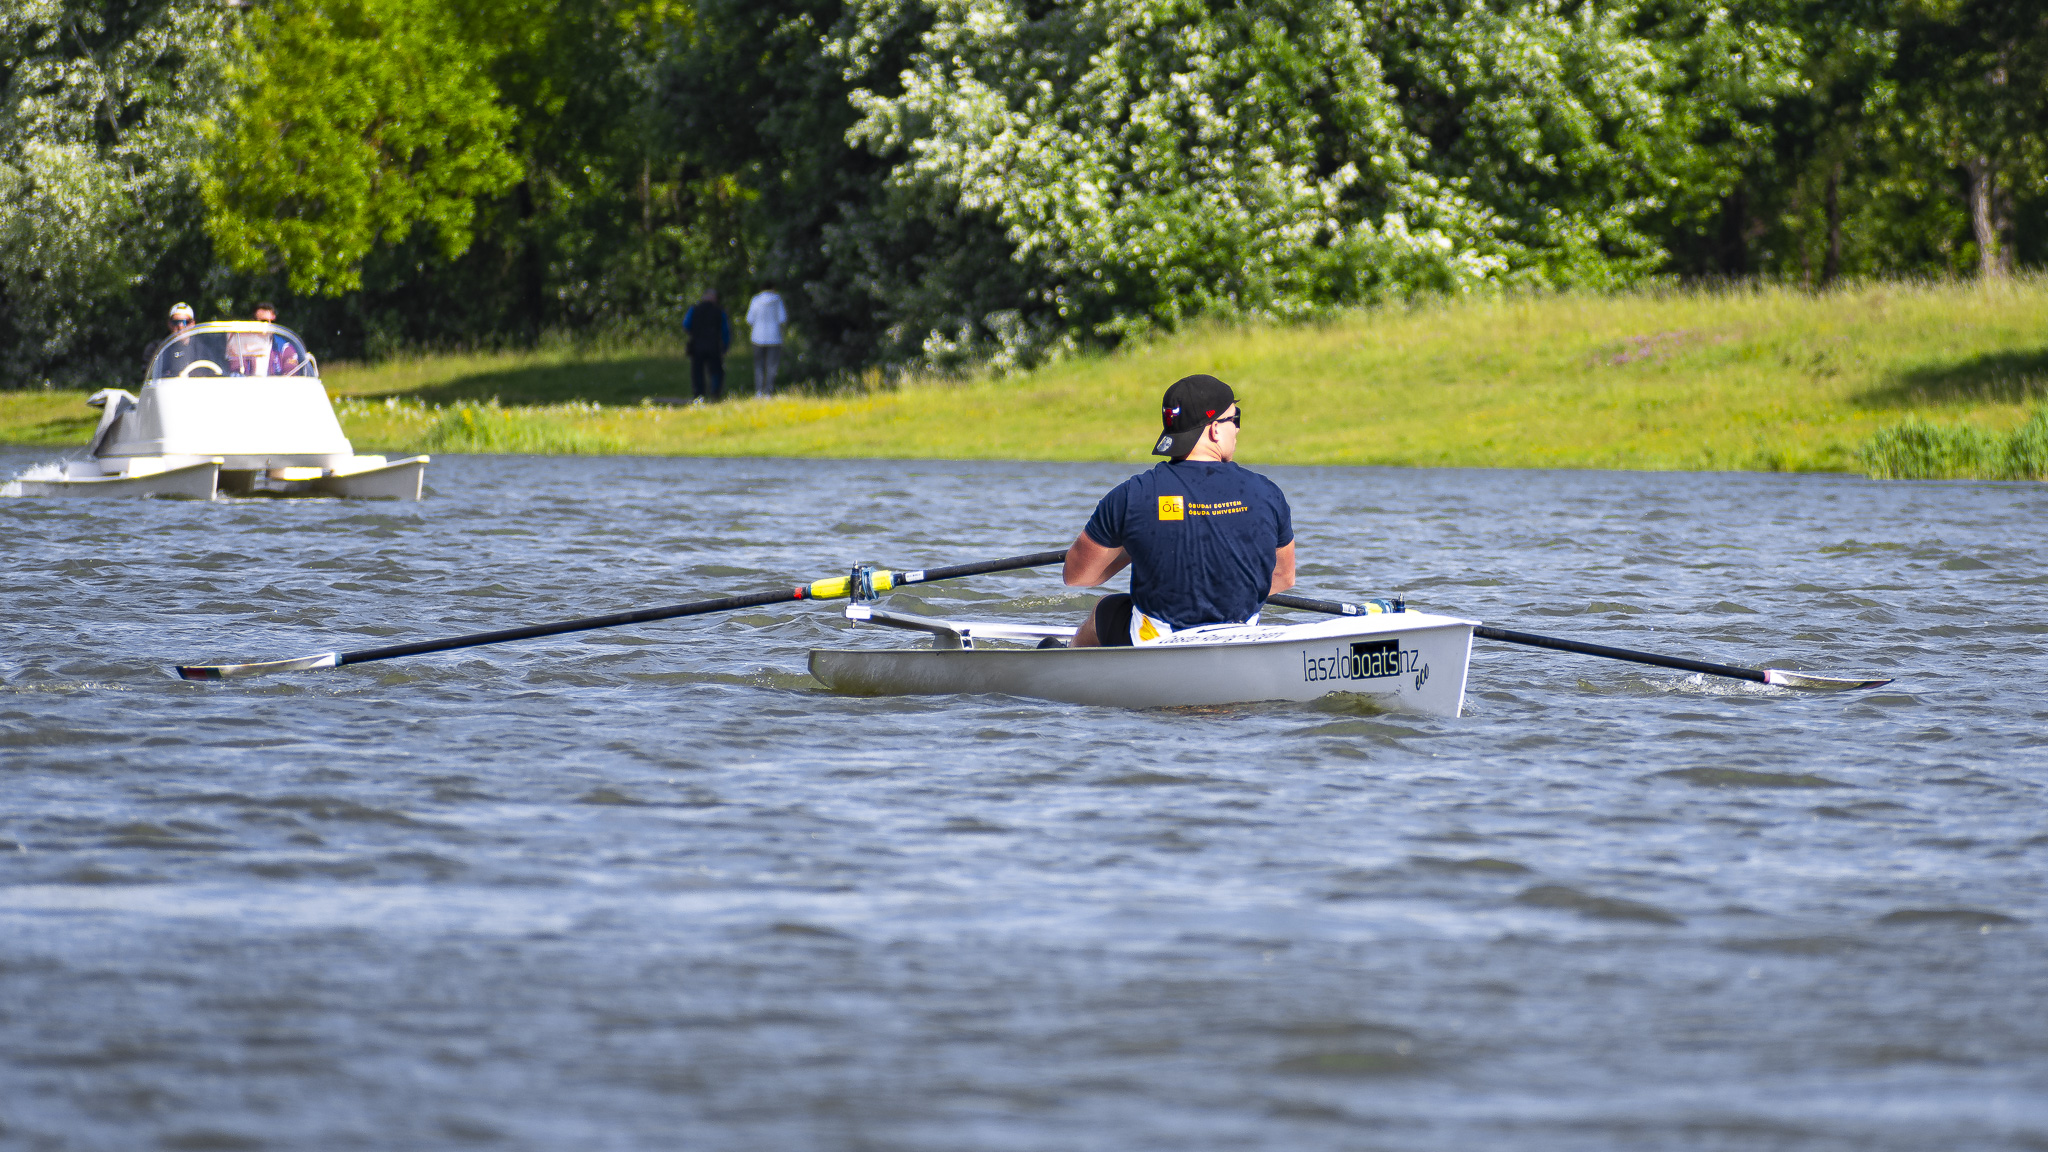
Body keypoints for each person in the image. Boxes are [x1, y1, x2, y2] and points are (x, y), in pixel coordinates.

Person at [1062, 374, 1295, 647]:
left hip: (1156, 643)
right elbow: (1284, 577)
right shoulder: (1267, 493)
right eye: (1235, 419)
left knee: (1106, 609)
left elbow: (1077, 577)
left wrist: (1136, 545)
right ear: (1214, 429)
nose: (1238, 429)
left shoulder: (1131, 495)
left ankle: (1065, 672)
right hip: (1239, 639)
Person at [682, 289, 731, 402]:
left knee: (697, 371)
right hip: (714, 345)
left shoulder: (694, 309)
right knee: (716, 371)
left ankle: (699, 394)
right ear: (714, 298)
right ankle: (715, 393)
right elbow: (725, 331)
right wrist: (725, 345)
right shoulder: (719, 311)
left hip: (697, 345)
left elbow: (686, 325)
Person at [745, 282, 788, 397]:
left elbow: (749, 319)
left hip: (757, 336)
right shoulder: (777, 300)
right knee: (771, 365)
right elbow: (782, 318)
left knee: (759, 365)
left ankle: (759, 391)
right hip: (774, 337)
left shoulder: (755, 300)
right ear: (773, 288)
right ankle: (768, 391)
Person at [249, 302, 301, 376]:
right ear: (252, 322)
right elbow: (235, 372)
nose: (269, 325)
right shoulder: (240, 346)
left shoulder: (284, 348)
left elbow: (291, 373)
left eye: (272, 322)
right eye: (264, 321)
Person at [145, 302, 197, 375]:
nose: (180, 326)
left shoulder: (203, 349)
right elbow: (149, 379)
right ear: (169, 324)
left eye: (185, 322)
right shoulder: (156, 349)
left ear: (192, 324)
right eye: (176, 322)